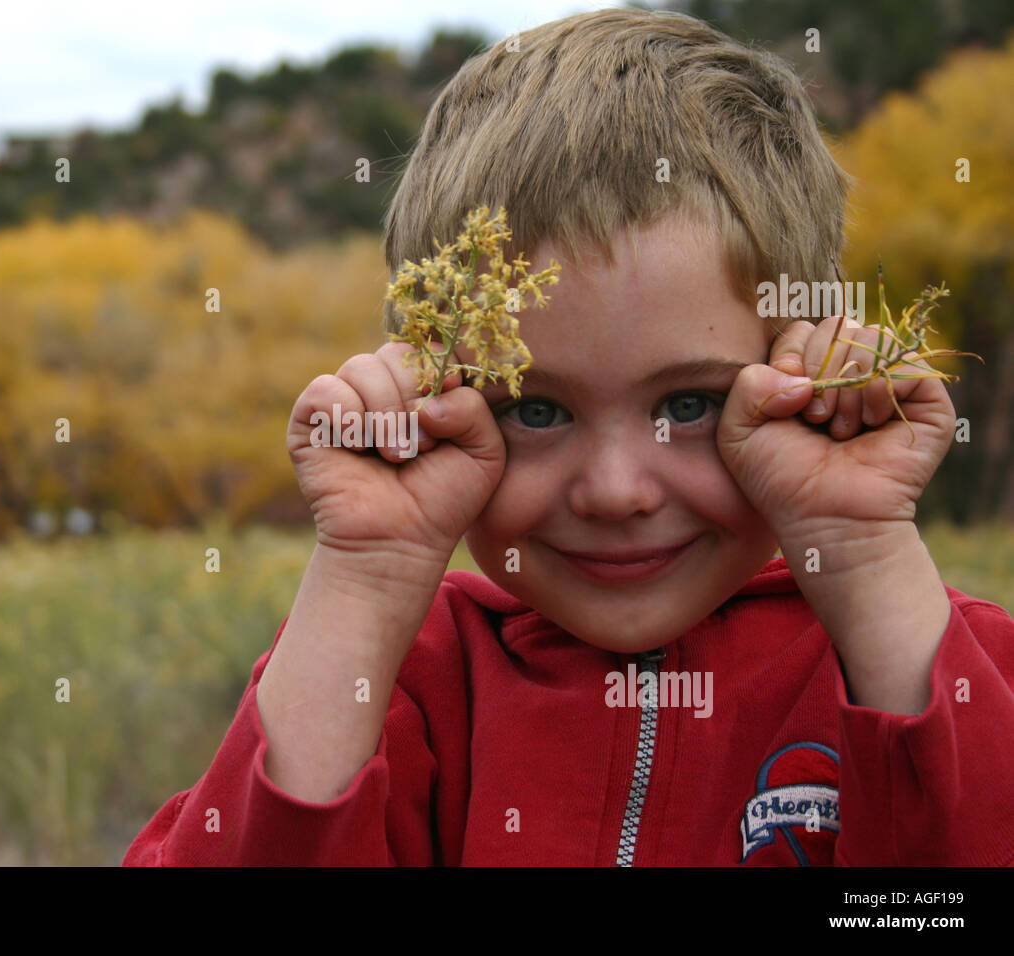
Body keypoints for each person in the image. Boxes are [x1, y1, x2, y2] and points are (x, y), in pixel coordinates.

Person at [124, 8, 1014, 865]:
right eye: (534, 410)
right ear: (436, 399)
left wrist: (859, 555)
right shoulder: (401, 682)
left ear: (806, 370)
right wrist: (364, 575)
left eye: (692, 405)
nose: (615, 491)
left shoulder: (940, 656)